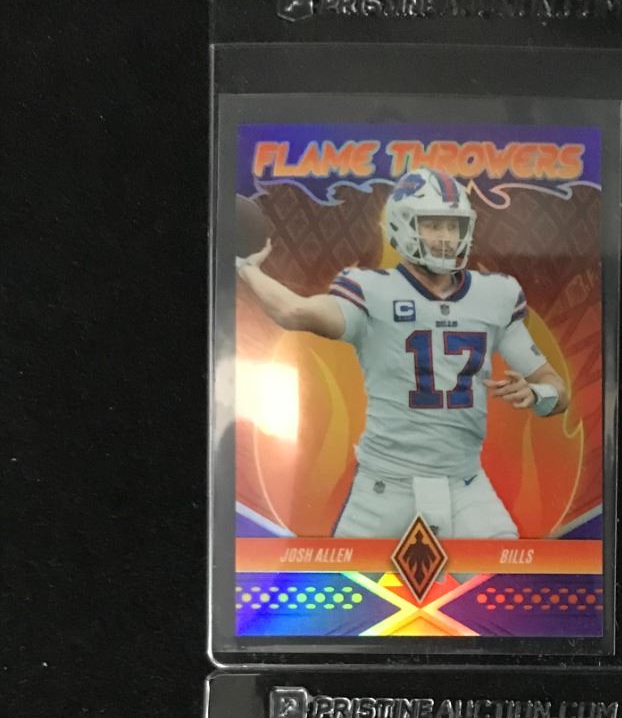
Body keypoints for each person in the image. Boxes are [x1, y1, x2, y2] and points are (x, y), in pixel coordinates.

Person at [236, 170, 569, 542]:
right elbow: (294, 312)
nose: (446, 237)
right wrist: (247, 268)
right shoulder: (371, 290)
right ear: (402, 225)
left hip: (465, 485)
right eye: (433, 225)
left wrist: (537, 394)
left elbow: (557, 390)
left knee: (508, 576)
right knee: (345, 579)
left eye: (453, 226)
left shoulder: (495, 295)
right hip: (385, 487)